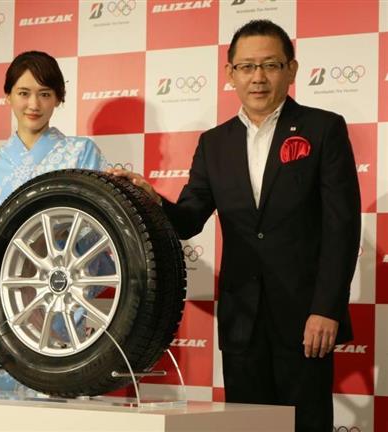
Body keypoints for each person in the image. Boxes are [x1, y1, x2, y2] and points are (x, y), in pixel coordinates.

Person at [109, 20, 361, 432]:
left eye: (270, 65)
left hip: (306, 320)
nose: (258, 77)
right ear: (230, 73)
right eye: (246, 66)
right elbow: (188, 219)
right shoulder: (215, 142)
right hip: (242, 320)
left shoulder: (323, 129)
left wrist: (325, 309)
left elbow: (342, 228)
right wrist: (152, 198)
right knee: (248, 427)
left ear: (291, 70)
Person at [0, 50, 107, 392]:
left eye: (45, 94)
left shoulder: (81, 153)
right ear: (8, 96)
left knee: (60, 405)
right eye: (24, 93)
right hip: (0, 314)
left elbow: (101, 235)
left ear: (59, 98)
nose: (34, 104)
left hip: (59, 302)